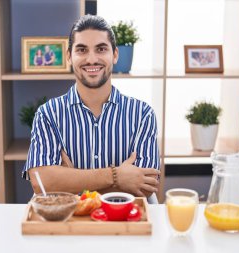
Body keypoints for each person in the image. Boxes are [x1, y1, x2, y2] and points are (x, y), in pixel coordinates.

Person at [23, 14, 160, 200]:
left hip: (127, 221)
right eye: (82, 50)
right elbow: (41, 182)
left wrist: (71, 183)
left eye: (101, 49)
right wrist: (117, 176)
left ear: (115, 55)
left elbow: (145, 186)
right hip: (67, 221)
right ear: (69, 56)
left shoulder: (142, 114)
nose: (92, 59)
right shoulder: (48, 114)